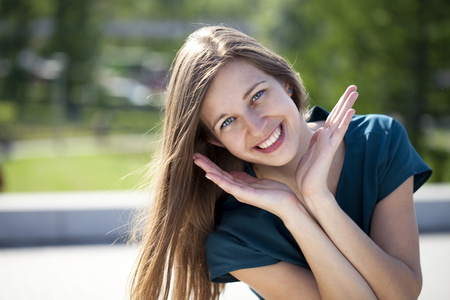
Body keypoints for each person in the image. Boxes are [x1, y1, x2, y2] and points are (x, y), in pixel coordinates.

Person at [130, 25, 432, 300]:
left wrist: (320, 199)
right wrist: (294, 213)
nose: (257, 126)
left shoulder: (378, 141)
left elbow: (402, 294)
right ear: (216, 141)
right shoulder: (233, 235)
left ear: (286, 82)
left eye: (257, 95)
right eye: (228, 121)